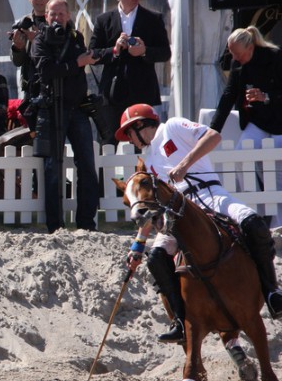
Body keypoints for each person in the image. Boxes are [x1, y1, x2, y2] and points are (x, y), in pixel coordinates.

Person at [118, 104, 282, 343]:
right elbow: (152, 206)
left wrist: (184, 164)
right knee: (156, 258)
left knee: (254, 224)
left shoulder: (172, 126)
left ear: (140, 125)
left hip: (211, 194)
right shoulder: (149, 160)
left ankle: (271, 292)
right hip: (179, 213)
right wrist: (138, 245)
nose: (130, 140)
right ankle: (180, 321)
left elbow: (213, 136)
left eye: (129, 133)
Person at [32, 0, 100, 233]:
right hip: (52, 109)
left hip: (77, 108)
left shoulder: (76, 37)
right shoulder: (40, 39)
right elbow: (46, 71)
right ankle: (55, 226)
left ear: (68, 15)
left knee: (88, 166)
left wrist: (77, 63)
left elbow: (78, 64)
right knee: (53, 169)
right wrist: (75, 64)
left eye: (61, 14)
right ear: (46, 16)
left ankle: (86, 224)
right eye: (53, 14)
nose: (57, 18)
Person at [89, 0, 171, 146]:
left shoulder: (153, 18)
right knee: (108, 143)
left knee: (143, 142)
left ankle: (145, 167)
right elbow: (93, 53)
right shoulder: (104, 20)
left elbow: (165, 52)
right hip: (112, 92)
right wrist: (114, 50)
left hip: (142, 90)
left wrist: (144, 51)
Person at [211, 26, 282, 226]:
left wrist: (265, 96)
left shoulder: (275, 57)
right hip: (257, 121)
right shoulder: (238, 64)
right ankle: (255, 211)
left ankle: (278, 224)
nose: (235, 58)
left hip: (279, 122)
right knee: (241, 156)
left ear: (250, 48)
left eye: (238, 54)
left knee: (277, 172)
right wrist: (214, 129)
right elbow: (228, 95)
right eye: (232, 54)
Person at [9, 0, 53, 130]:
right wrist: (18, 47)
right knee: (33, 134)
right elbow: (17, 61)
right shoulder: (23, 22)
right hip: (31, 88)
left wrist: (38, 41)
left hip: (54, 86)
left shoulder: (59, 19)